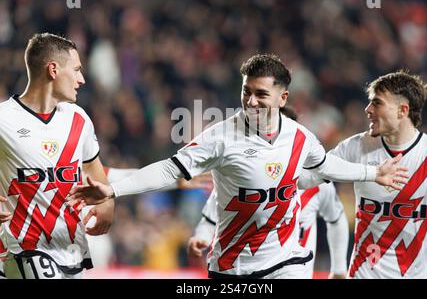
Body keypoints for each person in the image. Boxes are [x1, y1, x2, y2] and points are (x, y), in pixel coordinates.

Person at [67, 54, 408, 278]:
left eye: (261, 94)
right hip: (232, 266)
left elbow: (327, 167)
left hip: (285, 262)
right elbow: (170, 169)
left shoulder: (300, 138)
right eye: (246, 92)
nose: (251, 101)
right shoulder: (221, 137)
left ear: (282, 99)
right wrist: (114, 189)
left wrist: (372, 173)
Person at [298, 70, 427, 278]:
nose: (367, 109)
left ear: (402, 110)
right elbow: (305, 179)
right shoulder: (355, 147)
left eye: (377, 103)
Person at [0, 33, 114, 279]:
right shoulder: (3, 119)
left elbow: (96, 173)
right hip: (22, 248)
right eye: (76, 70)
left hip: (70, 249)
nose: (82, 79)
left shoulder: (78, 119)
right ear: (53, 69)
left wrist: (107, 203)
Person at [187, 182, 349, 279]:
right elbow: (210, 218)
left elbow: (336, 217)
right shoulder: (236, 175)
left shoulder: (316, 183)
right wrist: (202, 236)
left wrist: (339, 269)